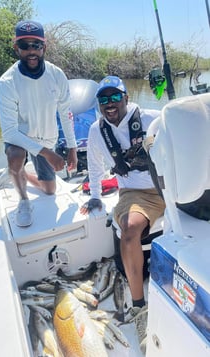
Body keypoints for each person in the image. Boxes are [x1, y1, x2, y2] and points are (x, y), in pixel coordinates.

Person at [80, 75, 165, 350]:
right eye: (103, 100)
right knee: (129, 231)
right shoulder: (96, 131)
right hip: (136, 194)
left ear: (126, 98)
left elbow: (185, 129)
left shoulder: (153, 117)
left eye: (115, 97)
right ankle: (140, 306)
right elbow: (94, 165)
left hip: (167, 184)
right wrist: (94, 197)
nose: (109, 104)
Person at [0, 20, 78, 227]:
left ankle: (19, 173)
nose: (31, 51)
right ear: (17, 48)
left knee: (50, 190)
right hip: (20, 138)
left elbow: (65, 113)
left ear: (45, 47)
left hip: (47, 138)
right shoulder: (7, 82)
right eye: (25, 45)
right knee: (15, 156)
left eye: (37, 45)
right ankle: (23, 199)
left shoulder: (57, 75)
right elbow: (9, 132)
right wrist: (47, 153)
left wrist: (72, 148)